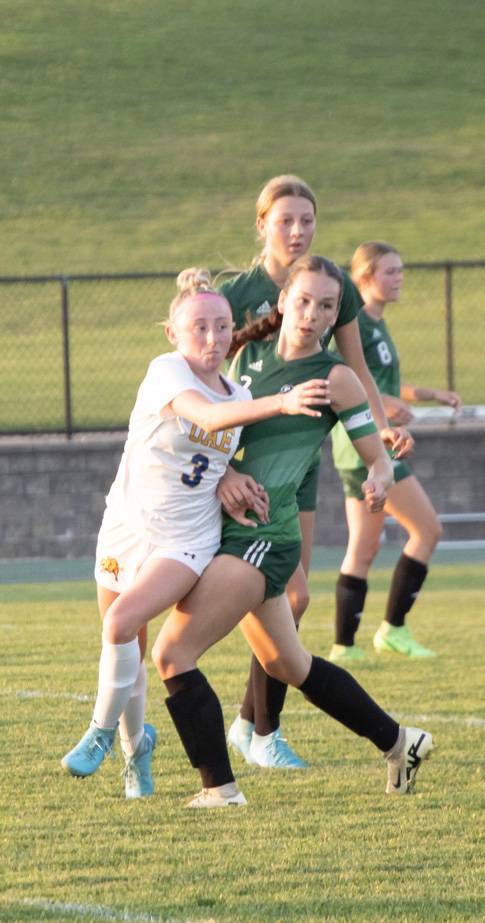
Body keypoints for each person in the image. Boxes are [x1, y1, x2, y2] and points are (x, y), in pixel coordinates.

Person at [151, 255, 433, 807]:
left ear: (335, 315)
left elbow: (374, 457)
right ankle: (401, 741)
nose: (312, 313)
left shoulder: (335, 378)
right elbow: (208, 430)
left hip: (264, 538)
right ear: (282, 301)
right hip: (226, 530)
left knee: (172, 654)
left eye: (326, 306)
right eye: (303, 300)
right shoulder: (243, 355)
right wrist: (228, 472)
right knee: (289, 664)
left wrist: (379, 476)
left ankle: (220, 789)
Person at [60, 268, 331, 798]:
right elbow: (206, 417)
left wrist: (237, 476)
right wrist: (282, 402)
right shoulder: (166, 372)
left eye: (222, 327)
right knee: (125, 645)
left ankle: (96, 732)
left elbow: (230, 438)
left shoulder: (241, 390)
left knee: (122, 621)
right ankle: (136, 750)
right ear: (174, 334)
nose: (212, 338)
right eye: (200, 327)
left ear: (234, 331)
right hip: (124, 527)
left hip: (185, 541)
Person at [219, 174, 413, 770]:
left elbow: (352, 367)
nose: (299, 231)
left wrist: (378, 430)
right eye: (286, 220)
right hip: (242, 465)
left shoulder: (331, 286)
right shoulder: (238, 293)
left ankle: (254, 726)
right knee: (289, 593)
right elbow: (205, 376)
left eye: (308, 220)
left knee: (292, 596)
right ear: (262, 226)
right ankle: (257, 728)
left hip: (298, 462)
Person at [329, 242, 460, 663]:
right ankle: (393, 629)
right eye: (390, 271)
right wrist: (384, 407)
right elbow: (350, 380)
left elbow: (380, 381)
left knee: (364, 548)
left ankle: (344, 647)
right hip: (368, 445)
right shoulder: (356, 326)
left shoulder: (377, 324)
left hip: (364, 446)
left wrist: (428, 394)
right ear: (364, 278)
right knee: (428, 530)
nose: (399, 278)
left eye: (401, 270)